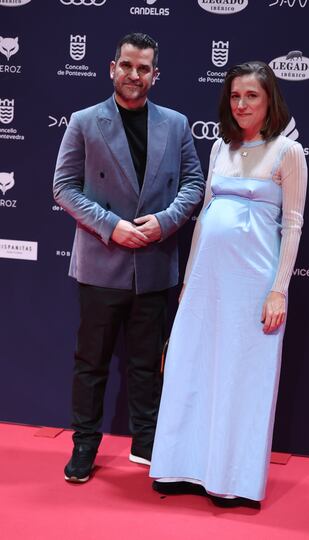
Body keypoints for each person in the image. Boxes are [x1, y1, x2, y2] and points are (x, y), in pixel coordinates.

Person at [149, 61, 307, 508]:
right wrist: (187, 284)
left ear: (269, 99)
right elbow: (203, 217)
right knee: (191, 369)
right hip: (205, 282)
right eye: (235, 96)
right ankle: (180, 468)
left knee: (242, 378)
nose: (241, 104)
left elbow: (292, 226)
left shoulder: (287, 153)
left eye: (251, 96)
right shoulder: (220, 146)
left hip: (253, 284)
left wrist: (279, 289)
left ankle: (229, 479)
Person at [53, 32, 204, 483]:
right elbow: (63, 188)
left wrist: (165, 221)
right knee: (91, 363)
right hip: (101, 264)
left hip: (155, 265)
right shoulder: (83, 121)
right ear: (111, 67)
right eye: (127, 66)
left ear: (155, 75)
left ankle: (147, 444)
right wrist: (111, 225)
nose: (134, 75)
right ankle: (84, 446)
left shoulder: (176, 124)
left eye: (144, 68)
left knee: (147, 365)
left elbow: (195, 184)